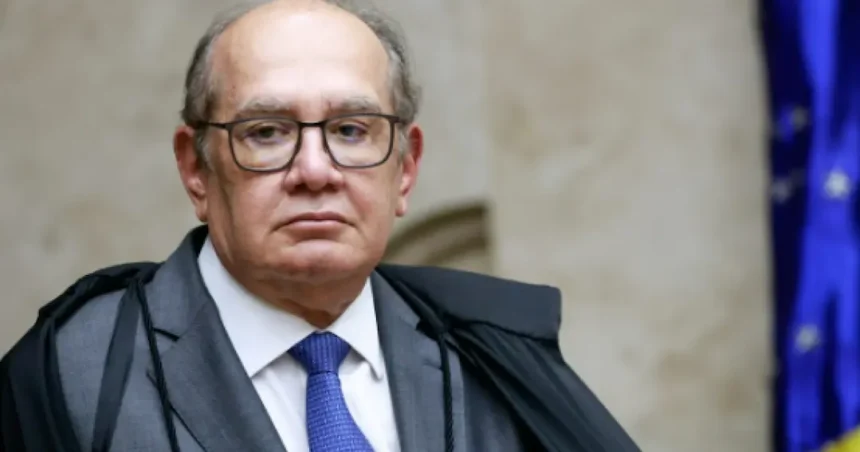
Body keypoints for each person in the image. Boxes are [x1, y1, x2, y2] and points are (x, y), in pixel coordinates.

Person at [0, 1, 640, 451]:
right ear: (196, 169)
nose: (315, 170)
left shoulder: (492, 366)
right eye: (267, 132)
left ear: (405, 169)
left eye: (352, 130)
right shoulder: (76, 373)